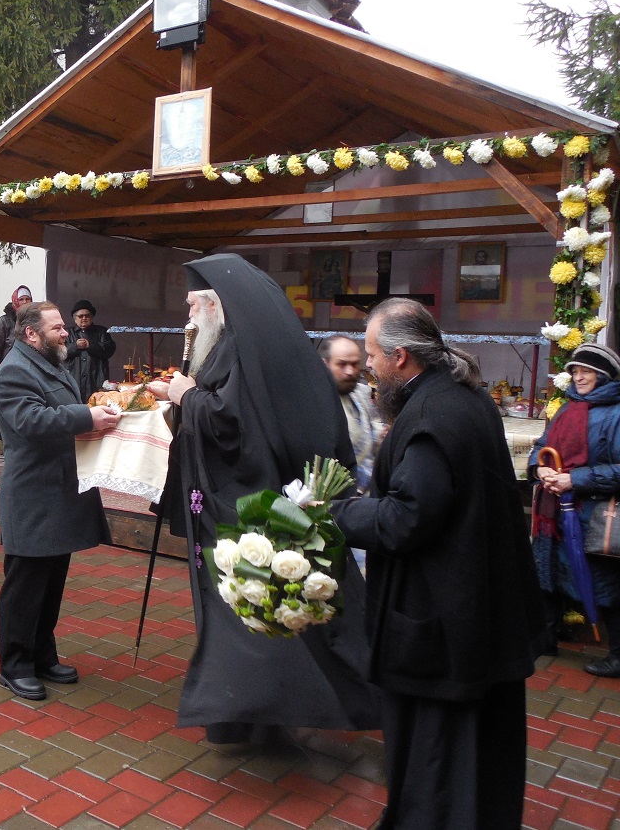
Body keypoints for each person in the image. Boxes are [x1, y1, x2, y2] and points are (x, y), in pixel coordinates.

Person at [330, 298, 544, 829]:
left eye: (373, 355)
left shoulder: (431, 417)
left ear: (401, 356)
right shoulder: (462, 396)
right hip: (476, 606)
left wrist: (339, 512)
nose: (369, 367)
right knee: (475, 750)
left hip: (441, 621)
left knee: (437, 755)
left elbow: (406, 519)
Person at [148, 254, 379, 744]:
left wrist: (186, 395)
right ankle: (240, 716)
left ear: (215, 306)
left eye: (192, 305)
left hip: (242, 508)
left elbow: (234, 426)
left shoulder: (238, 349)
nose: (188, 314)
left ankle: (256, 710)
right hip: (231, 504)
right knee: (241, 614)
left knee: (249, 612)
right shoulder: (237, 345)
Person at [0, 301, 121, 700]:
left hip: (59, 489)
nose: (66, 332)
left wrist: (97, 408)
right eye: (57, 328)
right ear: (31, 334)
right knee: (25, 586)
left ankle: (42, 656)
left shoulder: (50, 362)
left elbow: (63, 407)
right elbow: (32, 422)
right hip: (33, 494)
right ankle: (15, 666)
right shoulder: (14, 371)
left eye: (64, 326)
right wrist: (87, 417)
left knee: (50, 584)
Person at [529, 342, 620, 677]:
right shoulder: (567, 409)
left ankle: (618, 655)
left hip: (593, 516)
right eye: (575, 372)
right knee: (547, 572)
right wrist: (540, 469)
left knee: (604, 584)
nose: (579, 378)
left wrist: (574, 479)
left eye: (586, 372)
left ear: (603, 375)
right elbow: (542, 446)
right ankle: (546, 637)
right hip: (554, 512)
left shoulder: (617, 413)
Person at [319, 334, 381, 496]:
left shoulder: (362, 393)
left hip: (369, 497)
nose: (350, 371)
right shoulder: (315, 404)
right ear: (325, 365)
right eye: (342, 364)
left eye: (355, 364)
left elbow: (375, 434)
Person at [67, 299, 117, 402]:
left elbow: (110, 350)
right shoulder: (67, 333)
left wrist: (90, 345)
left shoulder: (102, 331)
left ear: (92, 317)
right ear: (75, 318)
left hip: (96, 380)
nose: (84, 318)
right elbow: (60, 353)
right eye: (80, 316)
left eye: (87, 315)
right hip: (73, 381)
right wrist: (75, 346)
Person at [0, 286, 32, 376]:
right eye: (21, 299)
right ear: (15, 301)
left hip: (28, 373)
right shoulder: (4, 321)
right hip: (8, 372)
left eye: (27, 299)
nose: (25, 302)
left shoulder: (34, 321)